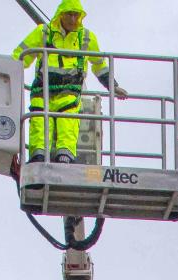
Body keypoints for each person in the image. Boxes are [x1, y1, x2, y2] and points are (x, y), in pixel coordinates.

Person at [13, 0, 127, 164]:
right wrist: (4, 75)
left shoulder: (86, 38)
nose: (73, 19)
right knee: (39, 123)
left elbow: (99, 64)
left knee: (68, 125)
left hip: (69, 94)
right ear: (61, 15)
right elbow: (20, 57)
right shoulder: (43, 32)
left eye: (76, 15)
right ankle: (38, 157)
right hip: (42, 91)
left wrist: (113, 86)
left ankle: (64, 157)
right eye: (69, 14)